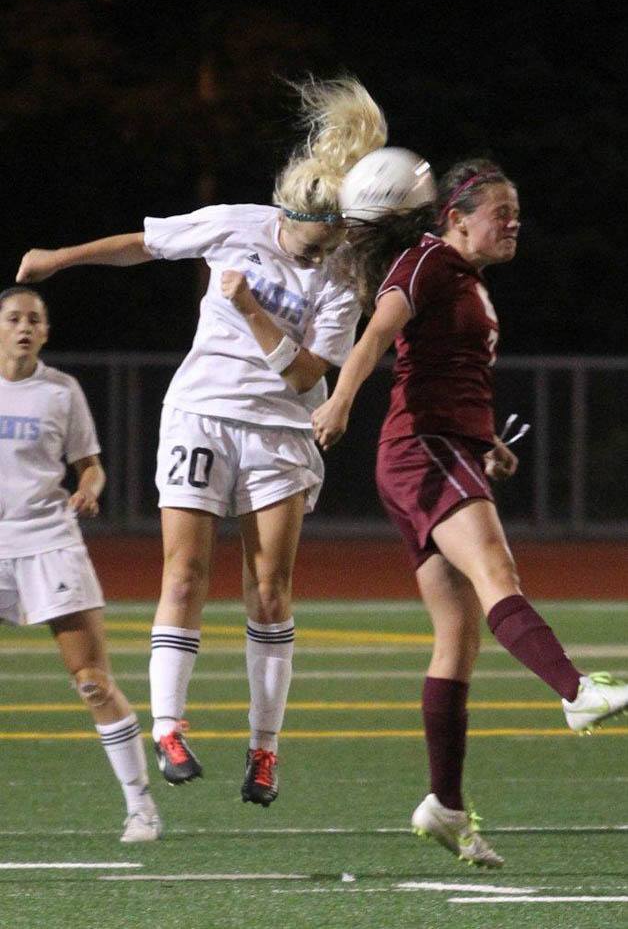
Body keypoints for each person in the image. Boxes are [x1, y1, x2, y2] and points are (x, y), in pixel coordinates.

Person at [16, 76, 388, 806]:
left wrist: (249, 309)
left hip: (281, 430)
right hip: (201, 413)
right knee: (184, 573)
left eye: (333, 241)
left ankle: (264, 749)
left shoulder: (345, 269)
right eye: (313, 242)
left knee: (269, 591)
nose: (321, 255)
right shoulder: (236, 223)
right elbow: (143, 244)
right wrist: (62, 257)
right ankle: (168, 726)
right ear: (288, 214)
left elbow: (309, 369)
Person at [312, 157, 628, 867]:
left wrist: (486, 445)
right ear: (455, 219)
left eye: (517, 211)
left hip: (442, 449)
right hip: (420, 449)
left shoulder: (466, 282)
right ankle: (575, 690)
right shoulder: (427, 261)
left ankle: (445, 805)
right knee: (497, 569)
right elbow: (375, 333)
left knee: (457, 634)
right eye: (500, 211)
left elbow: (451, 373)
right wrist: (338, 399)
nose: (513, 222)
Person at [0, 286, 162, 842]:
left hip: (49, 540)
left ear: (45, 332)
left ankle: (141, 807)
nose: (24, 326)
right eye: (13, 317)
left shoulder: (61, 392)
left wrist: (90, 489)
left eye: (34, 319)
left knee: (92, 681)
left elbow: (90, 466)